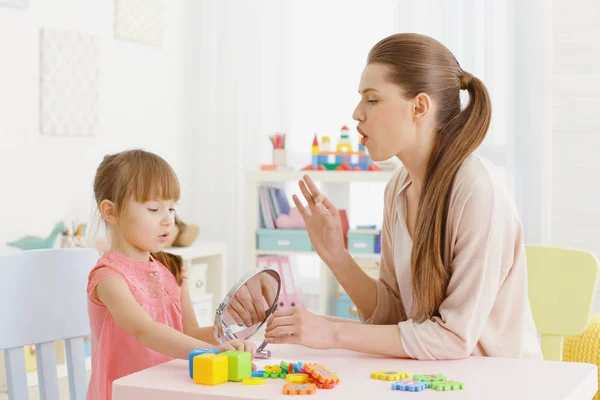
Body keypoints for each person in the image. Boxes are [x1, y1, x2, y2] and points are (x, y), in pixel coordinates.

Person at [264, 33, 543, 361]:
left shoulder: (478, 190)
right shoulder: (398, 189)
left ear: (419, 107)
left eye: (372, 99)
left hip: (499, 384)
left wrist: (333, 332)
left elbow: (453, 338)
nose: (357, 113)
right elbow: (395, 316)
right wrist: (335, 255)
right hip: (437, 378)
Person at [86, 149, 256, 399]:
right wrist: (212, 351)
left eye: (172, 208)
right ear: (110, 212)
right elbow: (143, 329)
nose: (168, 220)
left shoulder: (172, 270)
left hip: (171, 390)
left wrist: (233, 333)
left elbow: (189, 334)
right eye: (154, 209)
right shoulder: (109, 277)